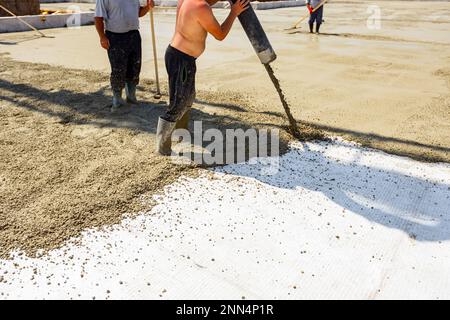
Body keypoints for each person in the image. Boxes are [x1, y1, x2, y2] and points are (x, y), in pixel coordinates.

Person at [156, 0, 250, 156]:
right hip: (181, 60)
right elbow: (220, 34)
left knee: (188, 98)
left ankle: (181, 133)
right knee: (178, 103)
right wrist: (234, 12)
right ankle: (162, 147)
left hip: (181, 57)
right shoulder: (201, 7)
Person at [95, 0, 154, 112]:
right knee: (118, 70)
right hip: (115, 37)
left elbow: (138, 13)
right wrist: (102, 37)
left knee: (134, 68)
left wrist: (148, 7)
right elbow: (98, 17)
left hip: (134, 35)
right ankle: (117, 100)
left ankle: (131, 97)